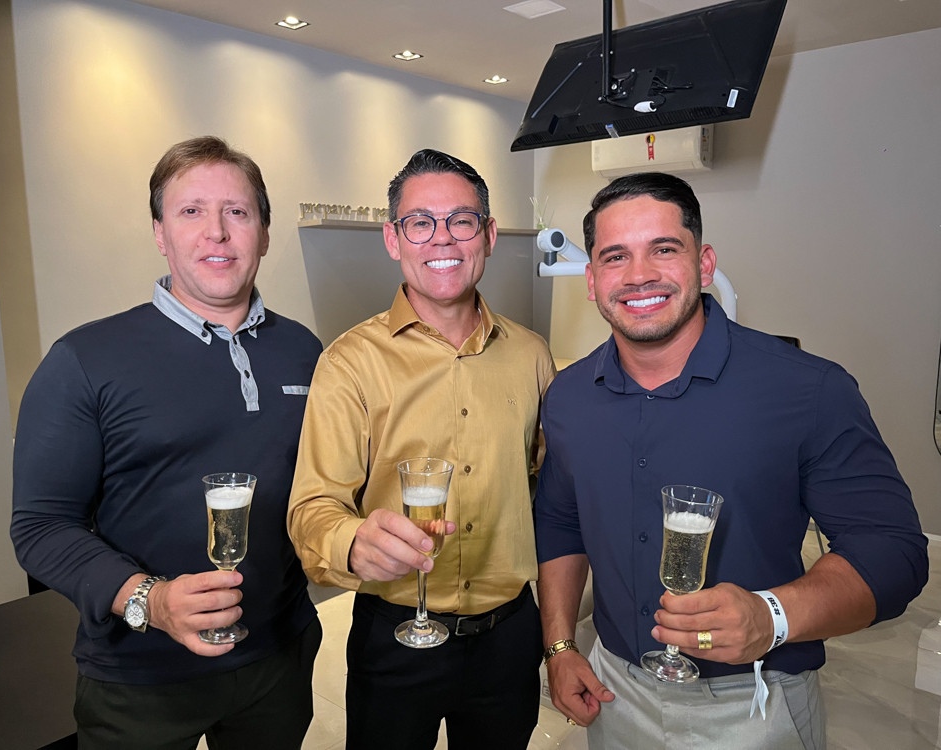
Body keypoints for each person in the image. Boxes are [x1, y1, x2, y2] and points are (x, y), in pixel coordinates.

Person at [535, 172, 928, 749]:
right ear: (592, 280)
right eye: (616, 256)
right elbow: (561, 522)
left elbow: (892, 552)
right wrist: (561, 646)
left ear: (704, 264)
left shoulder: (807, 389)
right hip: (615, 692)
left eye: (664, 249)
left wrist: (773, 615)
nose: (639, 274)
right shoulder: (569, 397)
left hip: (755, 703)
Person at [10, 136, 323, 749]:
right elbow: (40, 528)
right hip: (138, 677)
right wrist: (149, 601)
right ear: (160, 232)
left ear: (263, 231)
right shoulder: (84, 360)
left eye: (237, 212)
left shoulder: (304, 351)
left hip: (277, 661)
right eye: (191, 211)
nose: (217, 232)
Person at [287, 149, 556, 749]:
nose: (443, 238)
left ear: (488, 235)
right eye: (420, 222)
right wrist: (353, 542)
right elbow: (313, 506)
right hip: (394, 637)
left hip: (510, 636)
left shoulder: (533, 355)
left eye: (462, 220)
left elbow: (558, 490)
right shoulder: (348, 362)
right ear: (393, 238)